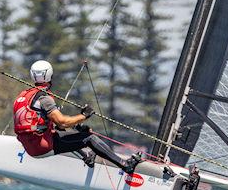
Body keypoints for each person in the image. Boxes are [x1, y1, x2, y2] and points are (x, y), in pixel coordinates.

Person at [13, 60, 142, 173]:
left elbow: (56, 125)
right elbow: (62, 122)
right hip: (43, 147)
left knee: (73, 133)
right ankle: (126, 165)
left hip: (31, 146)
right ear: (50, 75)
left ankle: (87, 157)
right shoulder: (44, 98)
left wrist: (77, 127)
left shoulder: (24, 96)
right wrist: (83, 115)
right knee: (89, 138)